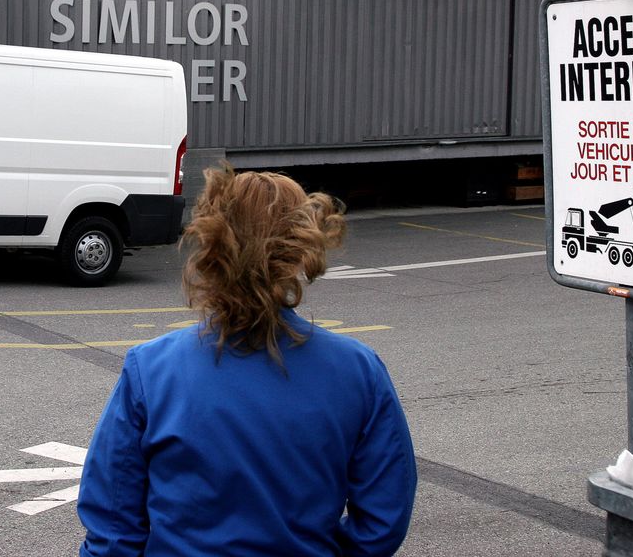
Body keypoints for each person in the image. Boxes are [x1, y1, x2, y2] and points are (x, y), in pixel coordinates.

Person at [77, 165, 417, 556]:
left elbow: (112, 524)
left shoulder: (151, 369)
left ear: (210, 246)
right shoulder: (358, 370)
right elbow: (383, 519)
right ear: (302, 248)